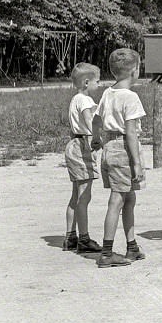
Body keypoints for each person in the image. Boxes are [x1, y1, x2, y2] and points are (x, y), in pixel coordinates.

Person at [90, 48, 147, 268]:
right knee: (117, 200)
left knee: (128, 198)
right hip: (124, 149)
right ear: (134, 71)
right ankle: (106, 253)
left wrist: (96, 139)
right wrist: (137, 163)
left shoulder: (108, 93)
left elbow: (96, 119)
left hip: (109, 147)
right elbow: (131, 132)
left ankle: (131, 246)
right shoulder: (130, 97)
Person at [63, 62, 103, 253]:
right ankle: (84, 239)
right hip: (82, 146)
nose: (99, 84)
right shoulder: (86, 101)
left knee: (75, 196)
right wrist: (97, 139)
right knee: (84, 196)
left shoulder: (74, 99)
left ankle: (70, 237)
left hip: (72, 145)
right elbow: (89, 121)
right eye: (97, 81)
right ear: (87, 82)